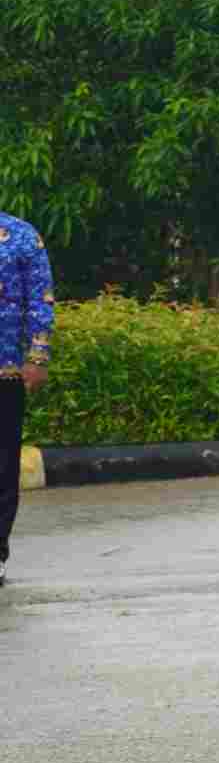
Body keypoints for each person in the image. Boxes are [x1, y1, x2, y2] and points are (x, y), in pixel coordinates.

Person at [1, 211, 55, 591]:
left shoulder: (21, 236)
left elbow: (40, 297)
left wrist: (37, 356)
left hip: (6, 372)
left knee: (3, 465)